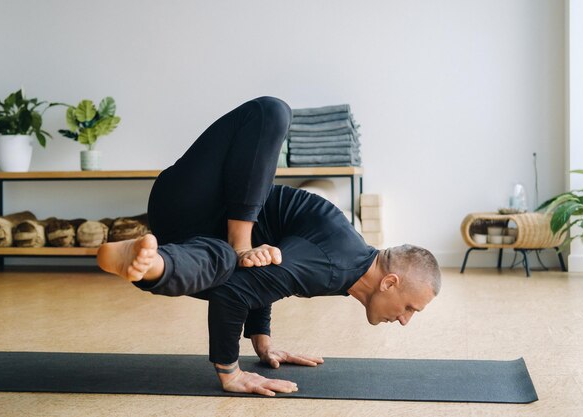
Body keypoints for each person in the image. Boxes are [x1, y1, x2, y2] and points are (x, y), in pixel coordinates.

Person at [97, 96, 441, 397]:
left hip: (191, 228)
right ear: (390, 282)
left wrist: (262, 340)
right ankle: (234, 241)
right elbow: (235, 294)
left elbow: (265, 281)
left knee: (224, 264)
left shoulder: (348, 267)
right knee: (272, 111)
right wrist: (230, 372)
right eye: (411, 307)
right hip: (195, 198)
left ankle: (148, 261)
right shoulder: (335, 265)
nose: (405, 320)